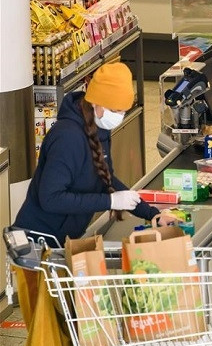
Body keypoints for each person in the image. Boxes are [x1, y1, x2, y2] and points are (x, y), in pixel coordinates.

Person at [15, 62, 174, 247]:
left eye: (123, 111)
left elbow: (105, 178)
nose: (119, 116)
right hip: (38, 244)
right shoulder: (67, 138)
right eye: (115, 110)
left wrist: (151, 213)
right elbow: (51, 199)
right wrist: (110, 201)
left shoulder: (99, 127)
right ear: (96, 102)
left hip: (63, 239)